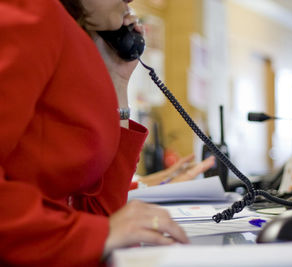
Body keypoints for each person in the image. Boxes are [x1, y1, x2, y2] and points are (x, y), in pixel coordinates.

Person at [0, 0, 214, 266]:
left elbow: (103, 211)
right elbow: (102, 226)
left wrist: (118, 80)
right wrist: (96, 235)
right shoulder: (30, 13)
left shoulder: (73, 39)